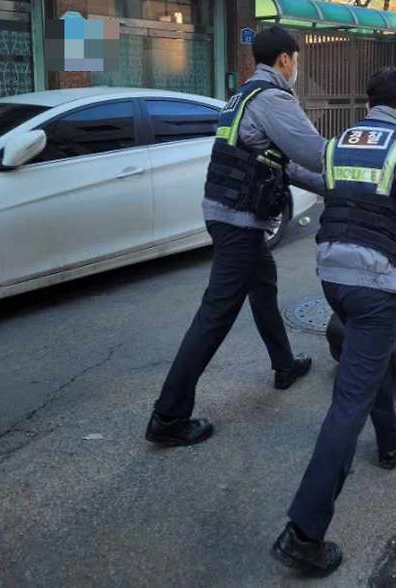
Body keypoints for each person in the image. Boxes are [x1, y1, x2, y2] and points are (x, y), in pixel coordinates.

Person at [271, 67, 396, 576]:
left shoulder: (340, 142)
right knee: (347, 401)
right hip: (375, 286)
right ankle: (304, 533)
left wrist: (283, 168)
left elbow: (322, 180)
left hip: (333, 277)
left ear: (369, 103)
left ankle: (391, 436)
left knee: (364, 358)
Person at [145, 26, 326, 447]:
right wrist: (358, 170)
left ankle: (284, 365)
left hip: (225, 214)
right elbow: (313, 152)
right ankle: (167, 417)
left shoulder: (241, 96)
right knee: (215, 315)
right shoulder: (273, 99)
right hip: (240, 221)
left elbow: (281, 163)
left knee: (263, 287)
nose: (296, 67)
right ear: (285, 59)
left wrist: (332, 187)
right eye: (296, 59)